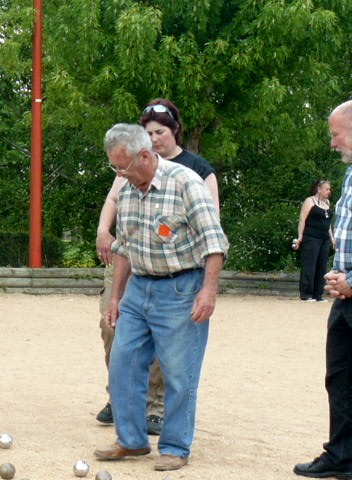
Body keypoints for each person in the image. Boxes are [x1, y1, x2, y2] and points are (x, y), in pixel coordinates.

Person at [93, 124, 228, 471]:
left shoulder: (185, 183)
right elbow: (124, 247)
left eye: (123, 166)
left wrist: (208, 290)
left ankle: (175, 447)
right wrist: (116, 297)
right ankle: (132, 440)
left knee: (179, 373)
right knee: (123, 362)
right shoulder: (126, 190)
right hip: (139, 287)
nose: (120, 174)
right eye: (115, 168)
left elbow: (215, 241)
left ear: (145, 155)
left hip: (182, 288)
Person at [294, 100, 352, 478]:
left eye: (336, 133)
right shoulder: (349, 176)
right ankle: (343, 456)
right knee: (341, 378)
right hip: (345, 299)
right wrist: (338, 274)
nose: (332, 143)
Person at [295, 179, 334, 301]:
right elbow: (302, 220)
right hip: (311, 238)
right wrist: (300, 237)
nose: (329, 191)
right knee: (309, 266)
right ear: (319, 189)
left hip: (324, 239)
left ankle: (318, 294)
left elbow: (328, 224)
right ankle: (306, 294)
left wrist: (332, 239)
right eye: (327, 189)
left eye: (329, 189)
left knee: (321, 266)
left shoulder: (327, 202)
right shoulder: (309, 201)